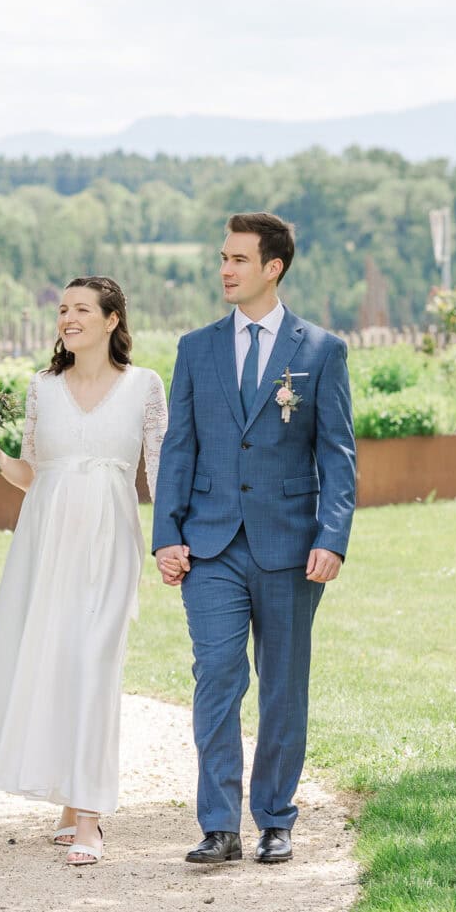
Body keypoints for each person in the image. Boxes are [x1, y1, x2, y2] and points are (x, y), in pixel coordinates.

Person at [152, 212, 356, 866]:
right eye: (222, 258)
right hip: (210, 544)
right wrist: (166, 535)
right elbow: (177, 448)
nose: (225, 270)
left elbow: (338, 456)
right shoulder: (196, 348)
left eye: (238, 259)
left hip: (292, 545)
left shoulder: (321, 351)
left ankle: (274, 816)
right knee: (216, 675)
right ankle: (218, 825)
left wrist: (333, 535)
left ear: (273, 267)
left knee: (282, 684)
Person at [0, 276, 168, 866]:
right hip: (45, 542)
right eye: (62, 309)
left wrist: (174, 539)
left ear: (111, 319)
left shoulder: (144, 387)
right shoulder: (41, 388)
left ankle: (91, 817)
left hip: (109, 542)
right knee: (56, 661)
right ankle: (70, 800)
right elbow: (35, 473)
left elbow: (162, 470)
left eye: (81, 309)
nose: (68, 318)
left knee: (95, 664)